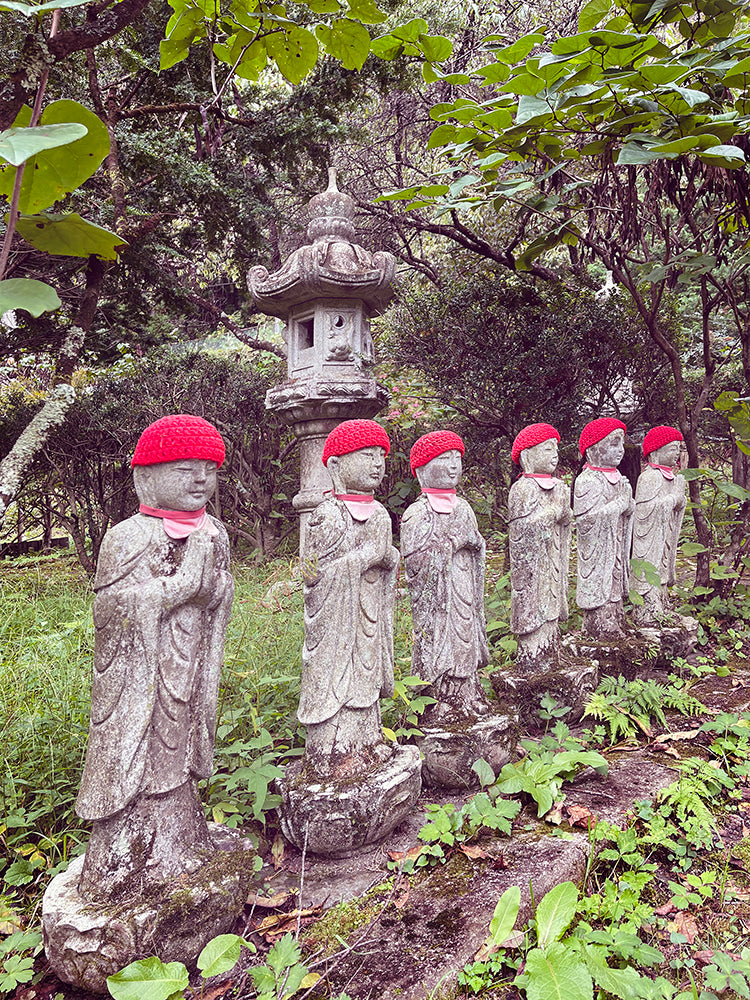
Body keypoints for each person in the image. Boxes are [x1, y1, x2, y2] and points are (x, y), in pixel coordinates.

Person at [75, 414, 234, 898]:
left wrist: (213, 592)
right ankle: (130, 856)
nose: (201, 478)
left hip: (189, 665)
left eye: (208, 468)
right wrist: (176, 588)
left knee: (179, 751)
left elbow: (219, 596)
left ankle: (179, 839)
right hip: (140, 676)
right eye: (185, 469)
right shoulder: (129, 536)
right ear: (146, 476)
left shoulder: (215, 534)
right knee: (144, 754)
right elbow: (111, 610)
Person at [297, 418, 400, 775]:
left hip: (367, 615)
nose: (376, 463)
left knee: (366, 677)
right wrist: (367, 556)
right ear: (336, 464)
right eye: (367, 454)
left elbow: (385, 557)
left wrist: (388, 558)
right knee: (337, 675)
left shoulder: (381, 514)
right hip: (334, 626)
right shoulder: (325, 516)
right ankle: (333, 746)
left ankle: (367, 739)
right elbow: (312, 576)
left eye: (381, 456)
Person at [401, 430, 489, 718]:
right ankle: (442, 697)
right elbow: (415, 562)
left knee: (466, 636)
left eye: (457, 459)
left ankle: (468, 691)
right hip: (438, 600)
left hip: (464, 585)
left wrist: (474, 543)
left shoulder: (464, 507)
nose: (453, 466)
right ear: (422, 469)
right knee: (443, 640)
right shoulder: (418, 513)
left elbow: (476, 542)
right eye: (444, 458)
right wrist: (453, 544)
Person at [508, 423, 571, 666]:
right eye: (546, 449)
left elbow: (566, 520)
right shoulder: (522, 488)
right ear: (527, 456)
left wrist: (564, 514)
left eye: (555, 449)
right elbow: (522, 530)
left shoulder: (559, 487)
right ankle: (533, 653)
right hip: (532, 567)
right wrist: (553, 514)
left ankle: (551, 647)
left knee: (552, 599)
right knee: (535, 603)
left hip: (552, 556)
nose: (554, 455)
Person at [574, 417, 634, 638]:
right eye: (613, 443)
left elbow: (626, 512)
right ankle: (600, 621)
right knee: (603, 579)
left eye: (621, 444)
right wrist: (619, 504)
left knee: (616, 577)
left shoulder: (618, 479)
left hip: (615, 543)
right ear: (593, 449)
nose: (620, 450)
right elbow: (586, 521)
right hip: (598, 551)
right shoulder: (587, 480)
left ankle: (615, 615)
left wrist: (628, 506)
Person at [632, 425, 687, 624]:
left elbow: (676, 504)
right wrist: (673, 499)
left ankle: (662, 603)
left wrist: (680, 501)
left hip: (665, 534)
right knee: (650, 571)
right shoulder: (649, 477)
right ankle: (647, 609)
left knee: (663, 568)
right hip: (649, 538)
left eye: (678, 449)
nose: (677, 454)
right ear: (655, 452)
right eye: (672, 449)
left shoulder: (672, 478)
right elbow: (645, 512)